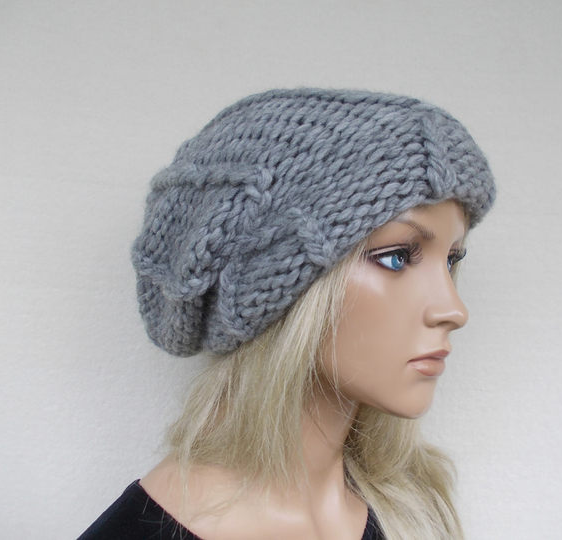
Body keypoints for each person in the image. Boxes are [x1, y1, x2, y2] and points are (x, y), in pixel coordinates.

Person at [78, 88, 495, 540]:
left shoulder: (415, 510)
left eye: (451, 259)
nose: (453, 309)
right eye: (397, 257)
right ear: (278, 292)